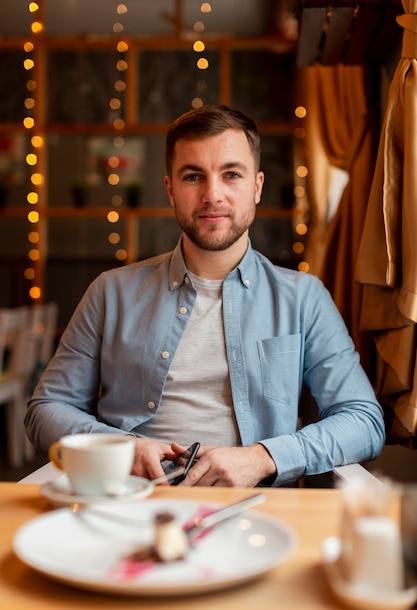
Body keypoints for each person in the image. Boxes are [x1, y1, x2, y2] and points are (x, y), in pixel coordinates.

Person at [25, 105, 385, 487]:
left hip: (254, 512)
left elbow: (363, 420)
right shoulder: (110, 292)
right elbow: (45, 410)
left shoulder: (304, 297)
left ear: (257, 186)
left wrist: (263, 458)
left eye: (231, 174)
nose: (212, 194)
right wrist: (119, 448)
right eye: (193, 176)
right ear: (170, 190)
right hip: (126, 500)